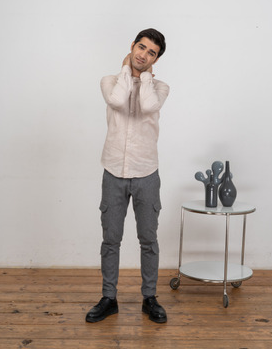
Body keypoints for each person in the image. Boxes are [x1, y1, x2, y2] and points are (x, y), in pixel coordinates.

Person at [86, 28, 170, 324]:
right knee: (111, 239)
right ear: (132, 46)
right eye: (141, 47)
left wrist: (144, 76)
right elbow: (119, 101)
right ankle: (109, 298)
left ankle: (150, 298)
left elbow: (146, 105)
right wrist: (126, 70)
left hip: (147, 172)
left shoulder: (160, 89)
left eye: (151, 53)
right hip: (113, 172)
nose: (143, 55)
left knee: (148, 239)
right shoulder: (110, 82)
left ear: (156, 59)